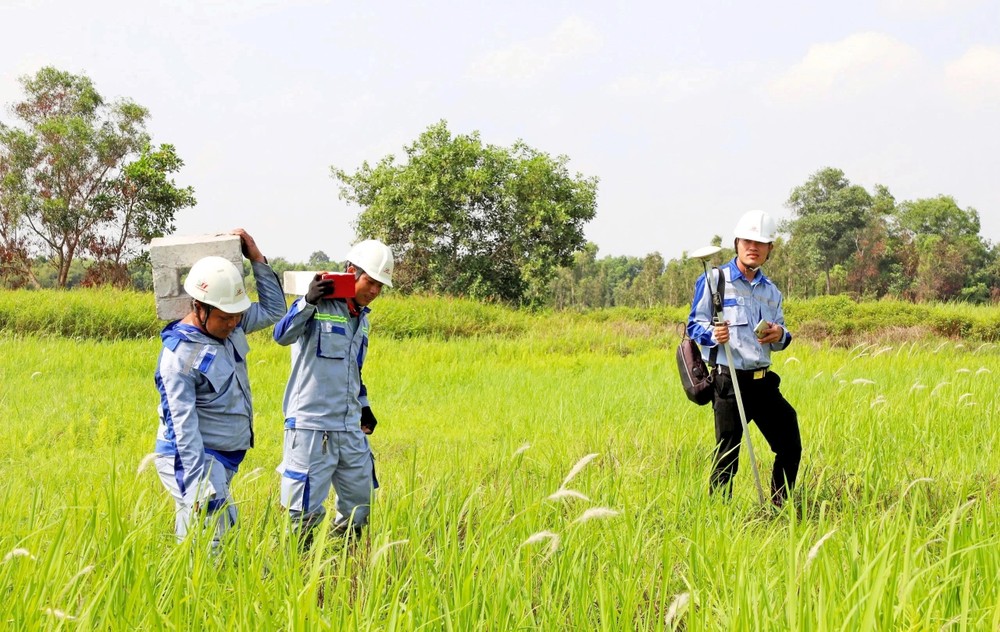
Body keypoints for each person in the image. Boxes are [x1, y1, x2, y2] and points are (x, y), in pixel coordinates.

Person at [153, 229, 286, 547]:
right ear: (199, 307)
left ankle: (183, 588)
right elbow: (181, 429)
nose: (233, 324)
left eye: (238, 316)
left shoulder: (230, 322)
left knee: (199, 539)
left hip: (224, 458)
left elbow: (274, 312)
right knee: (214, 542)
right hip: (197, 458)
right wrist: (198, 484)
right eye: (226, 318)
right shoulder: (178, 359)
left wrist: (256, 258)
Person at [273, 239, 394, 543]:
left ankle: (342, 561)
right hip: (312, 427)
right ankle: (299, 569)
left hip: (349, 426)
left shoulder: (362, 320)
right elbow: (281, 335)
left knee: (360, 503)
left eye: (381, 286)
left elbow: (354, 369)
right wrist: (307, 301)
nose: (375, 291)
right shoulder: (317, 305)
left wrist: (363, 405)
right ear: (351, 271)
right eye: (371, 281)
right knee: (303, 511)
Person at [686, 210, 802, 506]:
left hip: (762, 383)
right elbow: (694, 325)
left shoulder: (772, 291)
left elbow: (782, 337)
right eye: (748, 241)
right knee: (728, 454)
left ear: (770, 250)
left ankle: (780, 506)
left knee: (789, 440)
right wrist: (713, 335)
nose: (754, 247)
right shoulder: (715, 280)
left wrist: (780, 334)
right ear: (737, 243)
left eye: (761, 243)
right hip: (728, 382)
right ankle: (719, 515)